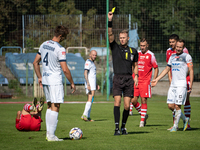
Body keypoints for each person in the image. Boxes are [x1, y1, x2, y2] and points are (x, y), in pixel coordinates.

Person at [33, 25, 76, 141]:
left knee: (49, 106)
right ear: (61, 36)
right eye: (65, 37)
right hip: (55, 80)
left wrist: (39, 77)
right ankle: (51, 136)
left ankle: (49, 134)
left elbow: (35, 62)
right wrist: (72, 82)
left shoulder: (44, 44)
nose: (65, 39)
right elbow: (65, 69)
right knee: (56, 106)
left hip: (46, 80)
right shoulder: (60, 49)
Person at [151, 39, 193, 132]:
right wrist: (156, 79)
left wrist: (191, 85)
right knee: (170, 106)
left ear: (183, 47)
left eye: (180, 47)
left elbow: (191, 70)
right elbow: (166, 69)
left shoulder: (187, 56)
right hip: (173, 84)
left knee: (177, 106)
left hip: (181, 85)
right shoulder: (172, 56)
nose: (178, 48)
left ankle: (175, 126)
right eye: (177, 47)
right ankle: (185, 119)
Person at [108, 11, 139, 135]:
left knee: (127, 106)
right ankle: (116, 128)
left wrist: (135, 75)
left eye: (123, 38)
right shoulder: (115, 47)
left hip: (128, 79)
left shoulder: (133, 51)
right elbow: (110, 33)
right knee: (117, 102)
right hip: (117, 78)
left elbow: (135, 65)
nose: (121, 39)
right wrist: (110, 20)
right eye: (120, 38)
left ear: (128, 38)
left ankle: (123, 127)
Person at [129, 38, 159, 127]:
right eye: (141, 45)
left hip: (145, 81)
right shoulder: (137, 53)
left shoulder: (151, 55)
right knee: (133, 100)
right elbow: (133, 65)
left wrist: (154, 79)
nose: (142, 47)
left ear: (147, 45)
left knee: (143, 100)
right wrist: (132, 76)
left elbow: (156, 68)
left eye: (144, 46)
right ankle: (144, 114)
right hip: (136, 79)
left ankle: (142, 121)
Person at [166, 34, 191, 130]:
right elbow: (168, 67)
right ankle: (183, 120)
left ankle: (184, 125)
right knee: (172, 105)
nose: (171, 44)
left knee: (184, 102)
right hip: (174, 80)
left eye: (173, 42)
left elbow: (188, 67)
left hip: (184, 80)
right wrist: (170, 79)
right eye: (170, 42)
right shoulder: (169, 52)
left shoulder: (184, 51)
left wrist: (184, 77)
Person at [81, 50, 100, 122]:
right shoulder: (88, 62)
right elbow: (85, 73)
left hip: (92, 84)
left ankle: (88, 116)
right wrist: (88, 84)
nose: (94, 56)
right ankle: (84, 115)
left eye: (95, 55)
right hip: (90, 84)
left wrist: (96, 84)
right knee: (90, 99)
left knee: (91, 99)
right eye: (93, 55)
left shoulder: (92, 63)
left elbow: (92, 75)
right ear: (90, 55)